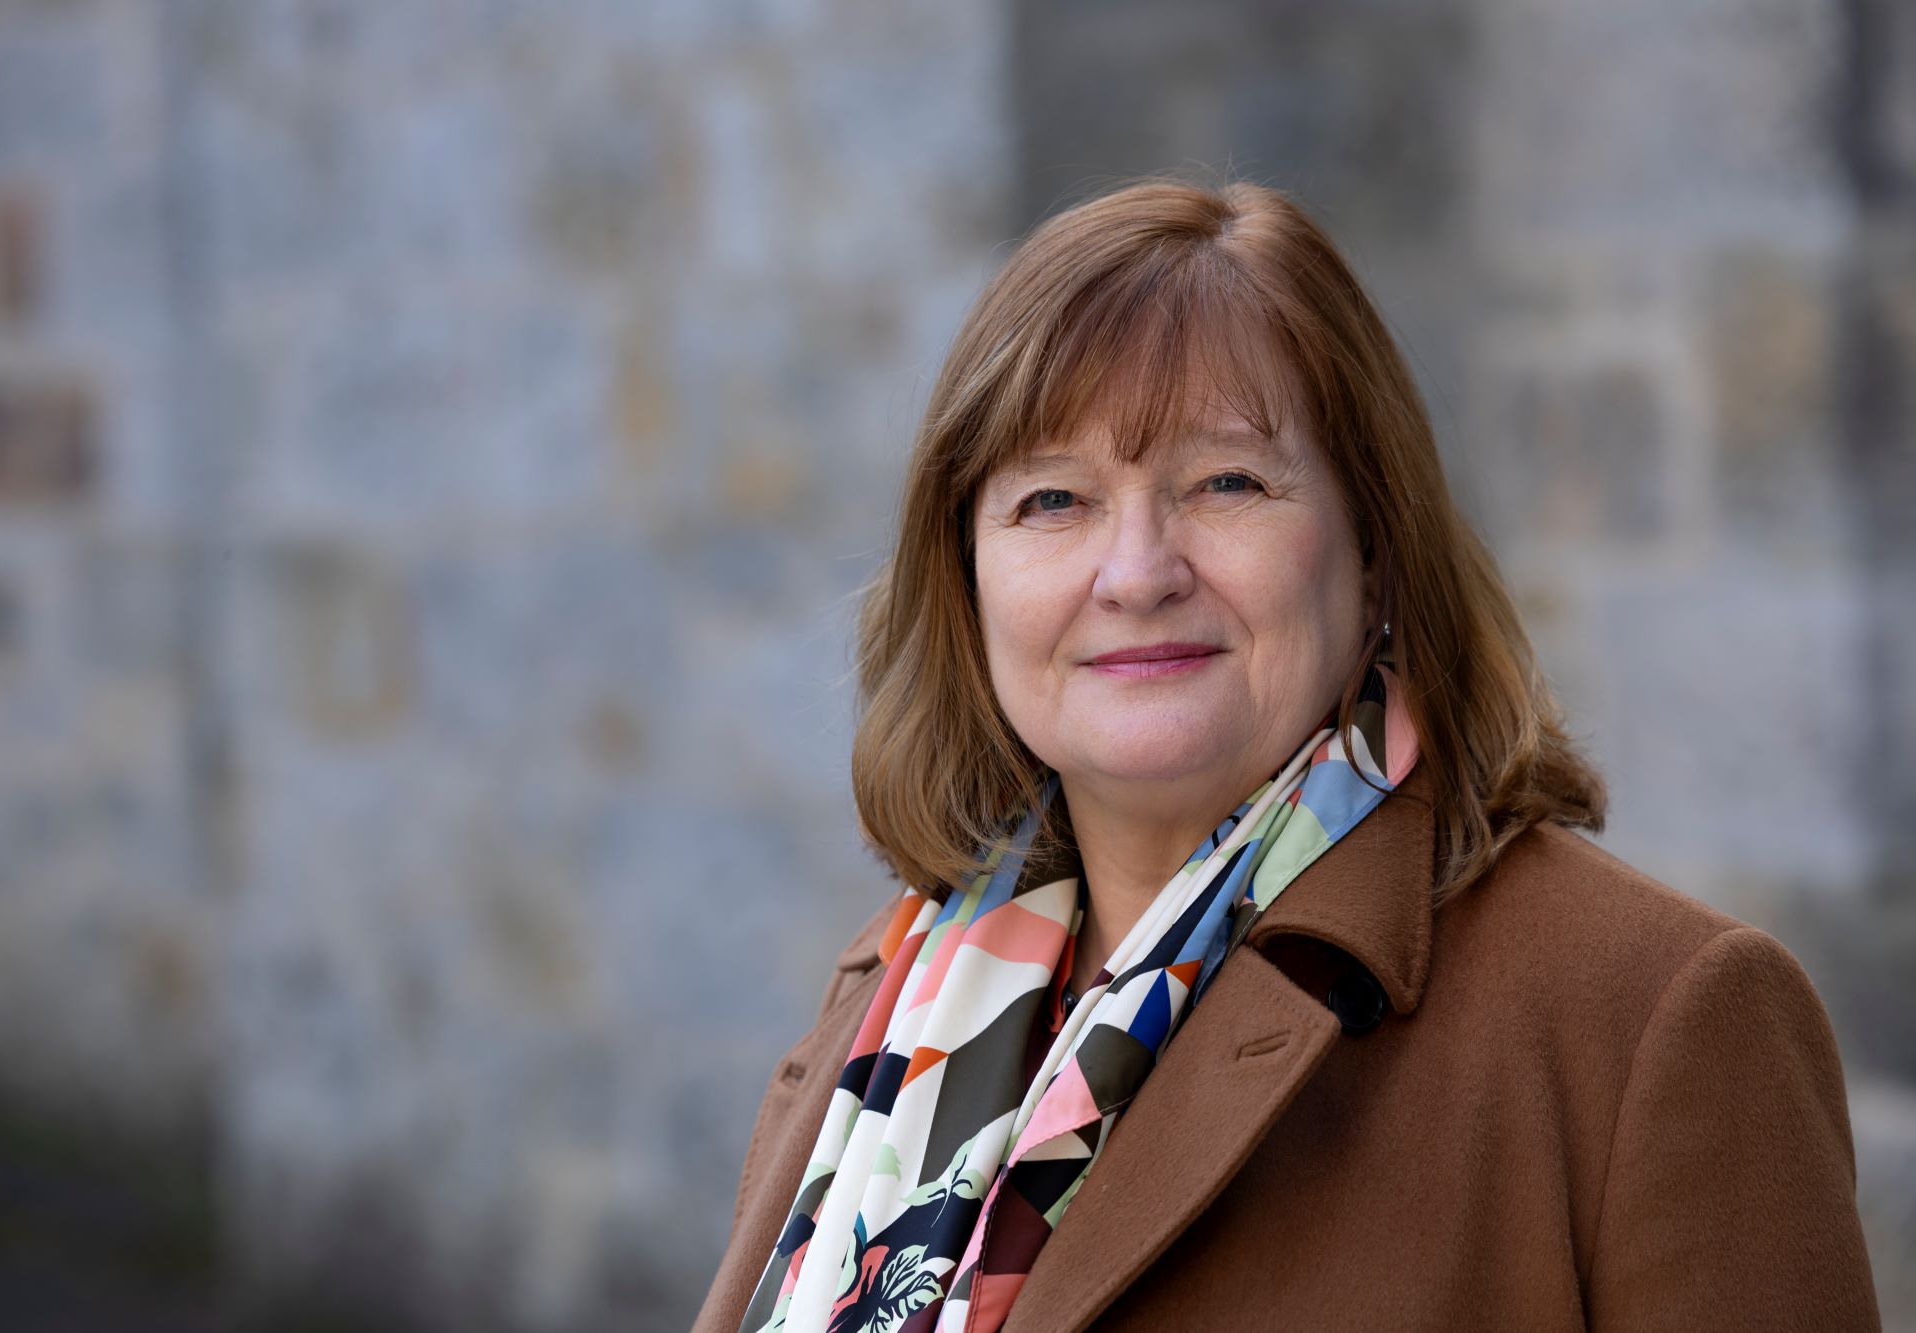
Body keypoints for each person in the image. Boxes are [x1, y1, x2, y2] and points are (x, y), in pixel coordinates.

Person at [693, 179, 1880, 1332]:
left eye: (1225, 481)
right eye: (1053, 501)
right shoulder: (896, 999)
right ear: (968, 578)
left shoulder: (1649, 1022)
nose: (1136, 571)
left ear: (1372, 549)